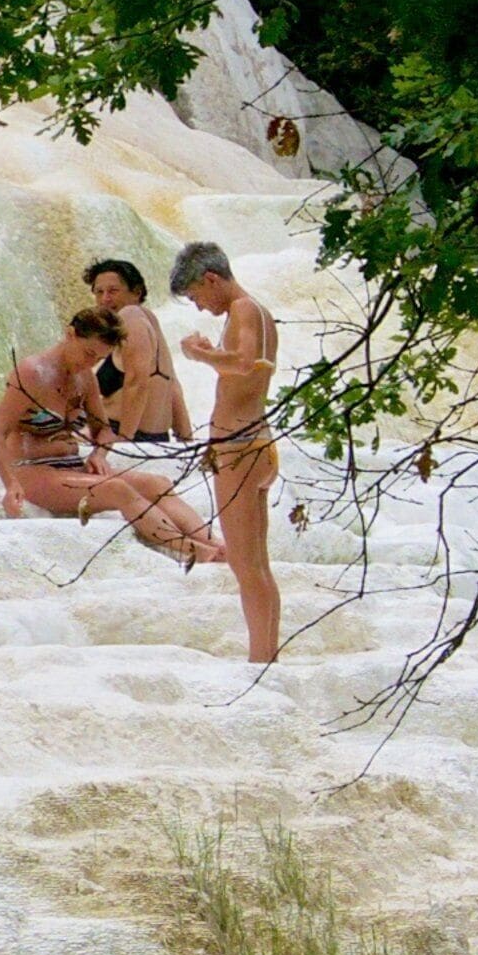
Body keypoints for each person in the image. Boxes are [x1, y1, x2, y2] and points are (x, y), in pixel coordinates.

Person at [0, 309, 223, 563]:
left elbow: (105, 429)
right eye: (89, 353)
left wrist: (99, 454)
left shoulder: (84, 376)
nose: (91, 363)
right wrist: (11, 484)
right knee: (117, 489)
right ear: (70, 334)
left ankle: (216, 544)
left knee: (158, 484)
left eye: (99, 359)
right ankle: (194, 551)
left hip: (72, 468)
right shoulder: (32, 373)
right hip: (33, 470)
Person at [171, 241, 283, 663]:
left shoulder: (244, 310)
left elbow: (243, 362)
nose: (201, 308)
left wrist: (200, 353)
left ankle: (261, 661)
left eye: (198, 296)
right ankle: (265, 655)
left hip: (239, 446)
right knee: (254, 564)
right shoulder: (255, 311)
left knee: (246, 565)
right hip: (251, 441)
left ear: (211, 279)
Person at [81, 258, 190, 446]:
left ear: (137, 292)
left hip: (125, 435)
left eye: (113, 291)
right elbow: (172, 387)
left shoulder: (130, 316)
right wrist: (186, 440)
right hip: (155, 437)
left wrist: (124, 438)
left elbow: (137, 381)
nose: (105, 299)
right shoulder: (149, 321)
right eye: (99, 292)